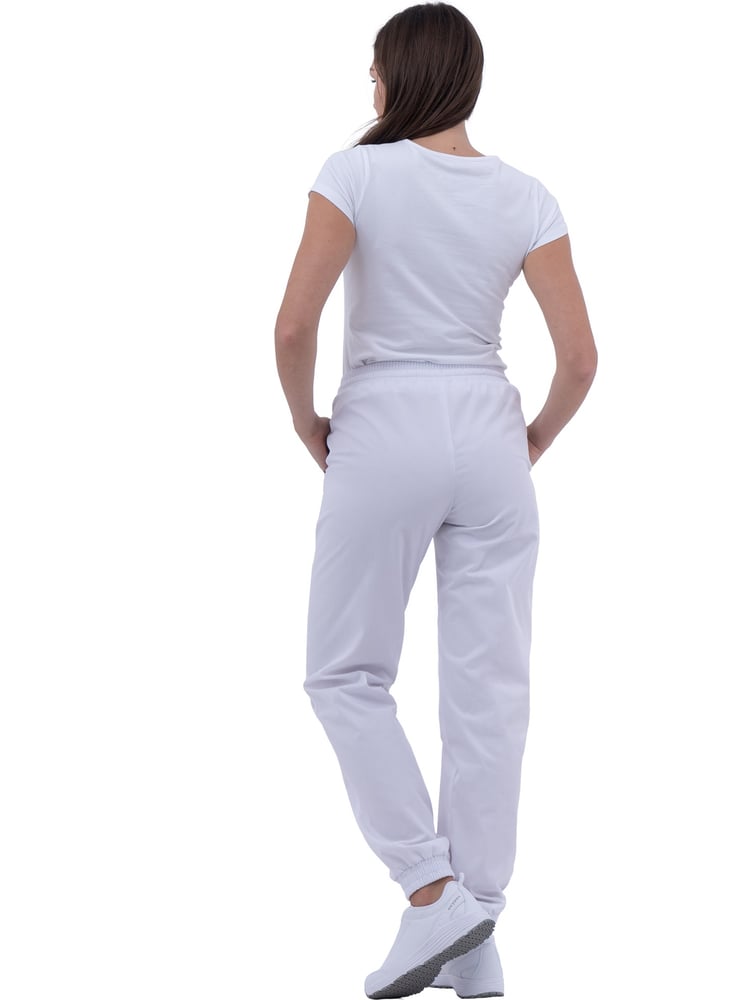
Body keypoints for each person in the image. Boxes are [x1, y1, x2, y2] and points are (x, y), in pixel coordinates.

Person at [275, 4, 596, 997]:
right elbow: (581, 359)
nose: (369, 87)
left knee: (344, 672)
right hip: (490, 430)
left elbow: (292, 328)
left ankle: (431, 891)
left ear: (396, 76)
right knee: (489, 692)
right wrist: (532, 438)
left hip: (384, 422)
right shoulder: (527, 196)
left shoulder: (355, 174)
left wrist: (305, 420)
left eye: (373, 70)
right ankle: (478, 935)